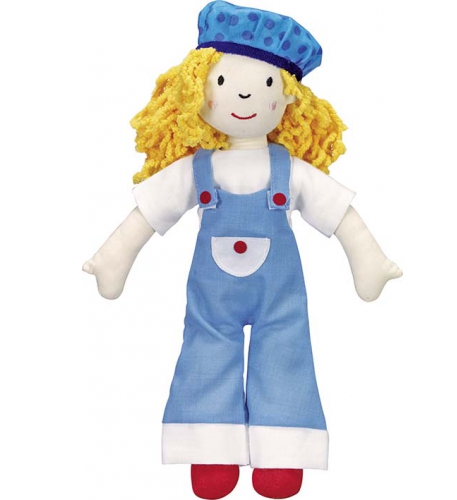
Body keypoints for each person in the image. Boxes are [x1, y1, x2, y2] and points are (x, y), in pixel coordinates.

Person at [83, 2, 402, 499]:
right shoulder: (198, 167)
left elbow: (339, 214)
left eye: (267, 84)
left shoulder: (290, 170)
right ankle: (211, 452)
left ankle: (282, 456)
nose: (247, 94)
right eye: (223, 82)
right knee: (206, 351)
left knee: (286, 353)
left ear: (288, 97)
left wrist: (369, 261)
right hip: (214, 299)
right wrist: (113, 259)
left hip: (280, 297)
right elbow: (149, 212)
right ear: (196, 88)